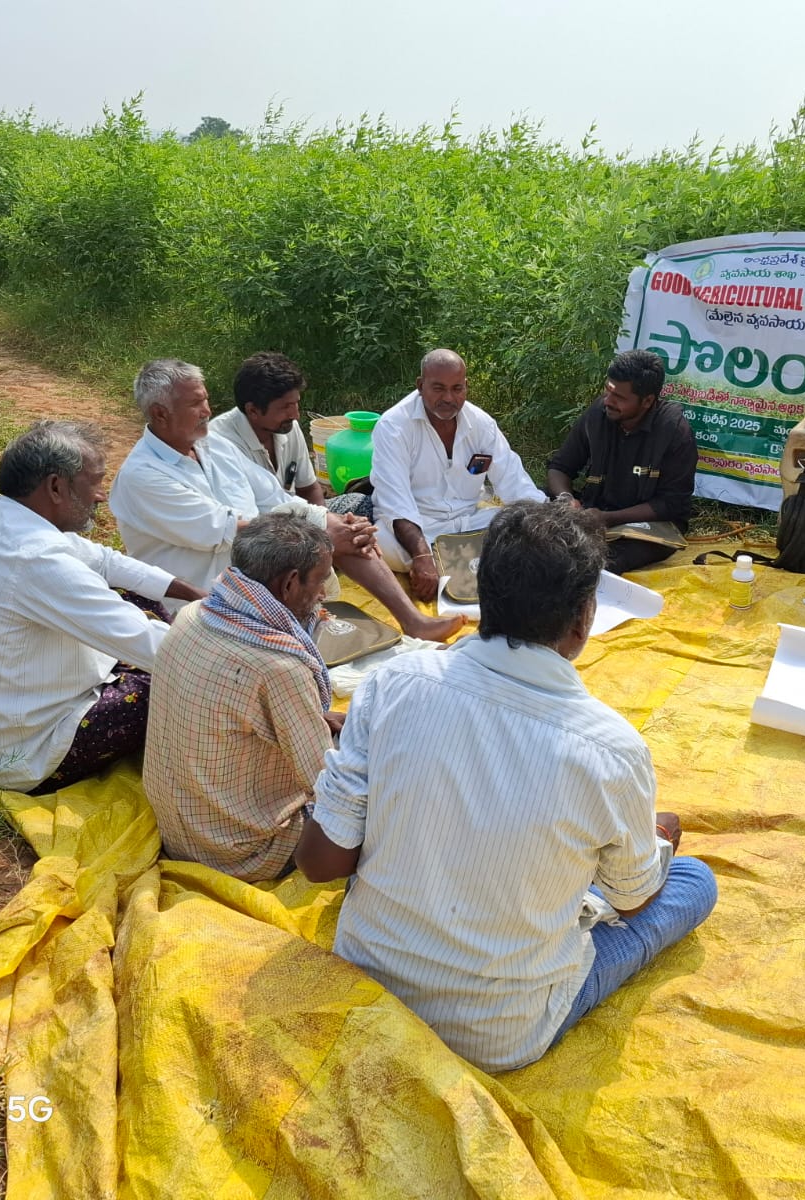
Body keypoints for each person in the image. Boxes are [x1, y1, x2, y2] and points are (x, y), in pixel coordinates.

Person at [295, 502, 718, 1071]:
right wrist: (654, 844)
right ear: (583, 619)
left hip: (366, 980)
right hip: (497, 1032)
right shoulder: (612, 749)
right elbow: (633, 898)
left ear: (482, 597)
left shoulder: (391, 684)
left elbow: (323, 863)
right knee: (692, 880)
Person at [108, 359, 460, 640]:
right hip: (205, 598)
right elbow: (227, 530)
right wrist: (321, 531)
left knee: (344, 529)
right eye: (196, 403)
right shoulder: (143, 476)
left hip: (257, 568)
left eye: (205, 400)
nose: (206, 410)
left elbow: (275, 496)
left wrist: (330, 523)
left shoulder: (212, 445)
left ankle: (412, 620)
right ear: (159, 414)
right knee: (327, 533)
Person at [0, 420, 206, 793]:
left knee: (141, 596)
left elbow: (104, 561)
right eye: (95, 482)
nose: (101, 495)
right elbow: (161, 650)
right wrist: (228, 646)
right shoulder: (36, 559)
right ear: (55, 487)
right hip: (23, 756)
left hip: (9, 721)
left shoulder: (9, 521)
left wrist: (193, 593)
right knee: (179, 679)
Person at [145, 514, 340, 882]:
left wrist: (312, 718)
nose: (324, 594)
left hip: (177, 831)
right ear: (289, 584)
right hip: (241, 853)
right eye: (320, 580)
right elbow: (326, 782)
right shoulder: (280, 668)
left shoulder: (191, 615)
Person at [369, 348, 546, 602]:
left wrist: (551, 521)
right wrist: (421, 557)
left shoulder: (482, 424)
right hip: (420, 528)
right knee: (381, 543)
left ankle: (455, 565)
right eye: (438, 388)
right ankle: (472, 563)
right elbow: (397, 504)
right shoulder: (393, 426)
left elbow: (514, 483)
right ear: (420, 386)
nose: (448, 398)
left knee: (521, 524)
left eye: (457, 389)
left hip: (471, 523)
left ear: (466, 387)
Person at [546, 348, 698, 574]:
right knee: (529, 517)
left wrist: (607, 519)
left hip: (646, 527)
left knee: (600, 562)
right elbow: (559, 467)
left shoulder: (674, 431)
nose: (608, 401)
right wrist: (567, 500)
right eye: (608, 391)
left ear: (647, 401)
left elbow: (671, 504)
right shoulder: (599, 413)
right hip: (593, 511)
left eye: (619, 398)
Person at [208, 351, 325, 503]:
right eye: (285, 407)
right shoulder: (220, 443)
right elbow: (245, 517)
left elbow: (309, 489)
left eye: (296, 403)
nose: (296, 415)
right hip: (257, 524)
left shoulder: (288, 426)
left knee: (358, 505)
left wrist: (326, 522)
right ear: (253, 411)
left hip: (299, 517)